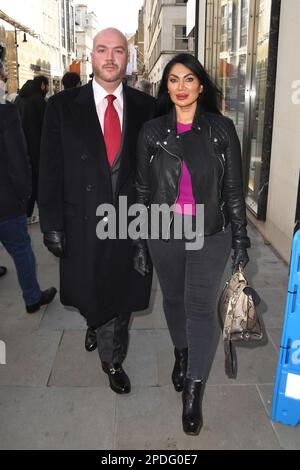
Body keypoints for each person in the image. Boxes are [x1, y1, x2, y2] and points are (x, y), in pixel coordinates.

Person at [136, 53, 250, 435]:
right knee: (173, 300)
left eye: (188, 79)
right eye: (173, 80)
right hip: (162, 231)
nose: (180, 87)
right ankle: (181, 353)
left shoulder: (221, 130)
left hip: (210, 233)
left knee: (199, 308)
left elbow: (233, 189)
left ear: (201, 85)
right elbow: (142, 189)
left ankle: (193, 391)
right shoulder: (152, 132)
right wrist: (138, 241)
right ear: (165, 87)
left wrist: (240, 237)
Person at [38, 28, 156, 394]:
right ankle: (95, 321)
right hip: (82, 220)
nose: (110, 58)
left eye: (118, 51)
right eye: (102, 50)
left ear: (127, 58)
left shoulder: (148, 108)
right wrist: (51, 224)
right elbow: (50, 169)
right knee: (92, 290)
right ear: (91, 56)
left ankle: (112, 359)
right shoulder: (61, 106)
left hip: (128, 221)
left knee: (120, 295)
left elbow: (156, 171)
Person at [0, 62, 57, 313]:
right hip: (6, 199)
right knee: (22, 249)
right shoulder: (5, 113)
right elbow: (17, 157)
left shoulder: (17, 104)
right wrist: (25, 194)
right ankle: (32, 298)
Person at [15, 75, 49, 221]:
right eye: (46, 86)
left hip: (21, 147)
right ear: (42, 85)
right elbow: (45, 126)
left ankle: (27, 213)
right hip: (37, 148)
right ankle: (42, 213)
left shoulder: (19, 99)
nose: (46, 89)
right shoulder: (38, 100)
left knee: (29, 182)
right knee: (39, 183)